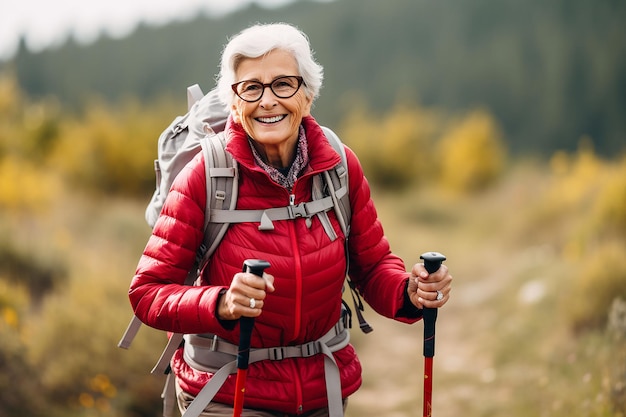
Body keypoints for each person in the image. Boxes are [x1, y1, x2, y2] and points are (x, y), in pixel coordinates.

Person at [129, 23, 453, 417]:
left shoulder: (338, 165)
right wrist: (222, 303)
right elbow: (148, 292)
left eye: (283, 84)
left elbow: (372, 268)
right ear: (234, 102)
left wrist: (410, 291)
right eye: (251, 87)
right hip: (228, 392)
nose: (267, 101)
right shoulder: (204, 175)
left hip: (322, 390)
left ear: (308, 94)